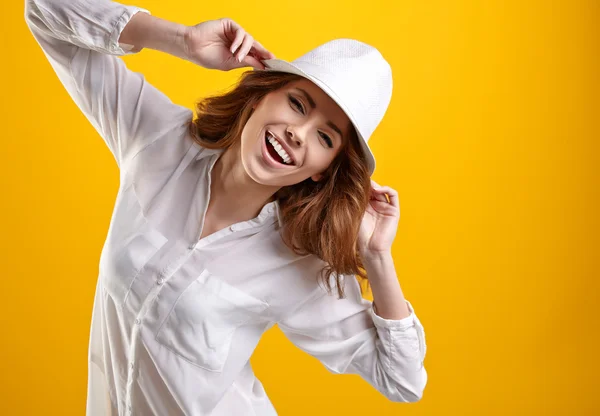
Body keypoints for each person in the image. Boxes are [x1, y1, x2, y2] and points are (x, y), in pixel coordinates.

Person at [25, 0, 428, 414]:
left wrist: (377, 257)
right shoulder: (159, 139)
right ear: (260, 96)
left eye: (325, 139)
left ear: (323, 171)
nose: (297, 133)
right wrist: (181, 39)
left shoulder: (297, 264)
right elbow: (43, 11)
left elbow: (402, 378)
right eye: (298, 104)